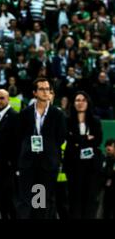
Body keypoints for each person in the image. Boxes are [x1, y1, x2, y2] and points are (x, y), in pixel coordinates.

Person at [16, 78, 67, 219]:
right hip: (28, 163)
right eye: (42, 89)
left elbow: (60, 138)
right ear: (34, 93)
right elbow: (19, 136)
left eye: (48, 89)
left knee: (42, 201)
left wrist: (47, 148)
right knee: (25, 200)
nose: (46, 92)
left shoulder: (58, 114)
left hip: (47, 164)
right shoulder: (25, 113)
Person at [63, 91, 103, 219]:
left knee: (90, 198)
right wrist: (87, 138)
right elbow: (68, 139)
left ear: (88, 103)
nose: (80, 103)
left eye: (83, 100)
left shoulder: (95, 121)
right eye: (77, 100)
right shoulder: (67, 121)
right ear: (73, 103)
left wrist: (78, 140)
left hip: (91, 166)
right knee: (74, 198)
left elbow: (98, 140)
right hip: (74, 165)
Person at [0, 89, 19, 219]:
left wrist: (13, 164)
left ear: (8, 99)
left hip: (8, 166)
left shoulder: (14, 116)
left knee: (6, 200)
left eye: (1, 98)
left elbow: (18, 142)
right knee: (3, 200)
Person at [102, 139, 115, 219]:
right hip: (107, 190)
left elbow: (109, 174)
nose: (108, 150)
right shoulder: (105, 159)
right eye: (107, 148)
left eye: (110, 148)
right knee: (106, 210)